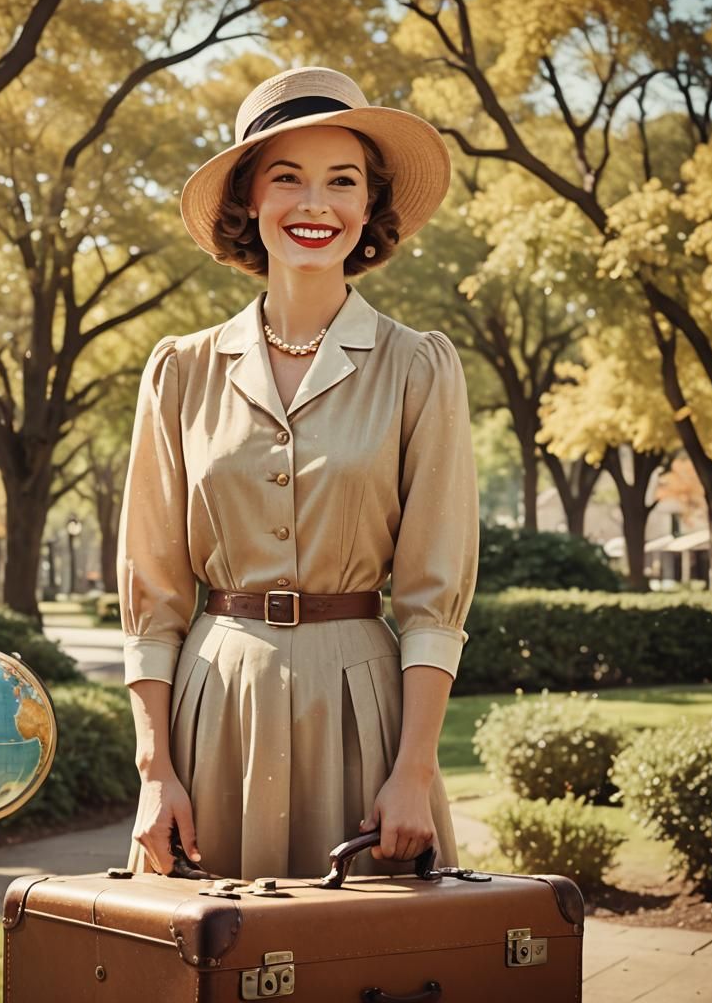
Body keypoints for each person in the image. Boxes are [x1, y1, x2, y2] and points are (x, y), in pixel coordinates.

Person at [117, 66, 479, 881]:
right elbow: (153, 598)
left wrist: (413, 770)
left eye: (342, 181)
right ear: (249, 198)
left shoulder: (418, 367)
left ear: (368, 206)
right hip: (215, 711)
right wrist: (155, 771)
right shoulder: (180, 372)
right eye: (287, 177)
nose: (316, 204)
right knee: (207, 942)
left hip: (362, 714)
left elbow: (434, 596)